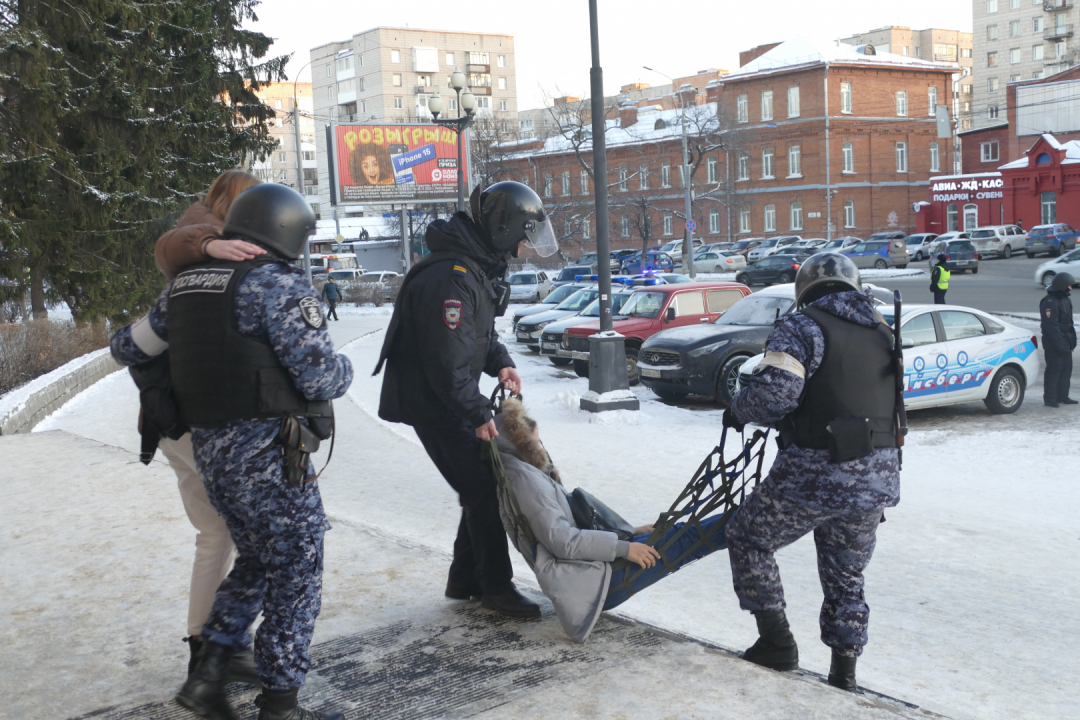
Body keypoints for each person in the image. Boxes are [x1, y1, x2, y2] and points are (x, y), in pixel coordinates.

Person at [111, 183, 353, 720]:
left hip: (214, 455)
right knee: (298, 569)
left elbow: (126, 346)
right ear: (287, 231)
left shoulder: (187, 285)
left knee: (260, 561)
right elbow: (320, 376)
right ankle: (281, 702)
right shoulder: (280, 286)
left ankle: (209, 675)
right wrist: (346, 370)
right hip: (269, 457)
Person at [375, 181, 559, 618]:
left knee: (478, 485)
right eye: (519, 237)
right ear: (500, 228)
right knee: (483, 488)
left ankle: (466, 578)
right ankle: (494, 586)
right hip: (434, 402)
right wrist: (477, 411)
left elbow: (477, 337)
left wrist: (501, 363)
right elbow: (445, 362)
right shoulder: (451, 279)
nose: (518, 250)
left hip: (447, 397)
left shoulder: (471, 268)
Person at [722, 252, 901, 693]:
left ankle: (776, 642)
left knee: (748, 536)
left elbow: (774, 399)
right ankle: (844, 674)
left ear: (806, 290)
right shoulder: (883, 331)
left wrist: (737, 410)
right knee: (847, 574)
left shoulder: (802, 327)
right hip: (877, 475)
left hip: (816, 473)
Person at [152, 169, 267, 680]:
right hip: (194, 421)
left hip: (175, 418)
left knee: (215, 532)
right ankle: (212, 646)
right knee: (224, 531)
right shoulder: (204, 241)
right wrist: (213, 243)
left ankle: (214, 642)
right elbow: (174, 243)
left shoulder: (204, 253)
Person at [493, 398, 728, 642]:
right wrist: (624, 547)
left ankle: (743, 518)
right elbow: (562, 541)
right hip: (594, 583)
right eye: (537, 440)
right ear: (523, 442)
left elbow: (570, 525)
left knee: (679, 531)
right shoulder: (527, 481)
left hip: (589, 570)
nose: (541, 446)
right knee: (687, 537)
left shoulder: (522, 471)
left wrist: (630, 534)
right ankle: (745, 520)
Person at [1040, 272, 1077, 408]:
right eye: (1068, 285)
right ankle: (1050, 398)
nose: (1070, 288)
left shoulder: (1065, 300)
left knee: (1066, 369)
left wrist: (1072, 340)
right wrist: (1059, 344)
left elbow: (1070, 323)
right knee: (1054, 370)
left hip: (1066, 340)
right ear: (1062, 286)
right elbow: (1051, 326)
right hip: (1054, 343)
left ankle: (1063, 396)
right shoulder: (1050, 302)